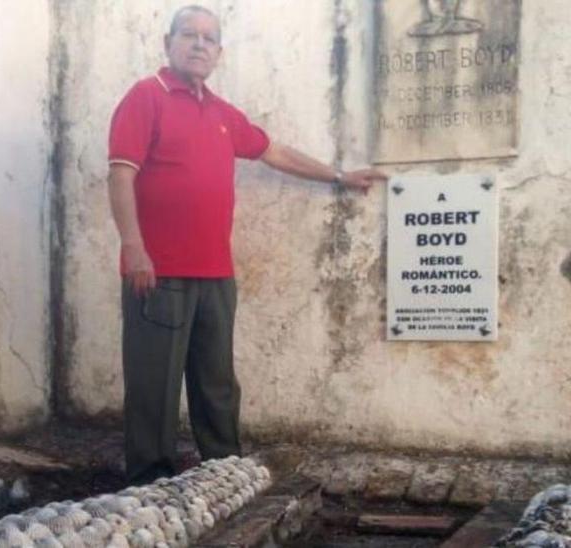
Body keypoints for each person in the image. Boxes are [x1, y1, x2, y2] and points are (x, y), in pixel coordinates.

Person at [107, 4, 387, 484]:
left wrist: (339, 175)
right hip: (158, 271)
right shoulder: (145, 97)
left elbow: (272, 150)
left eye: (209, 38)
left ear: (219, 52)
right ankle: (149, 487)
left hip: (216, 273)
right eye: (189, 35)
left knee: (216, 384)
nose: (199, 44)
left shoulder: (221, 113)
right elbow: (120, 173)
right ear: (167, 43)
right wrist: (133, 245)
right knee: (155, 386)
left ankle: (224, 475)